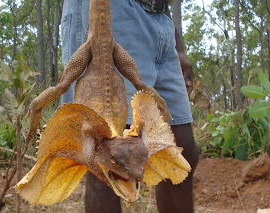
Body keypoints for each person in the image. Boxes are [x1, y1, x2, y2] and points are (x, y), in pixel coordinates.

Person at [60, 0, 199, 212]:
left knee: (181, 151)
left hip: (159, 18)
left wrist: (176, 45)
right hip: (110, 12)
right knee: (108, 161)